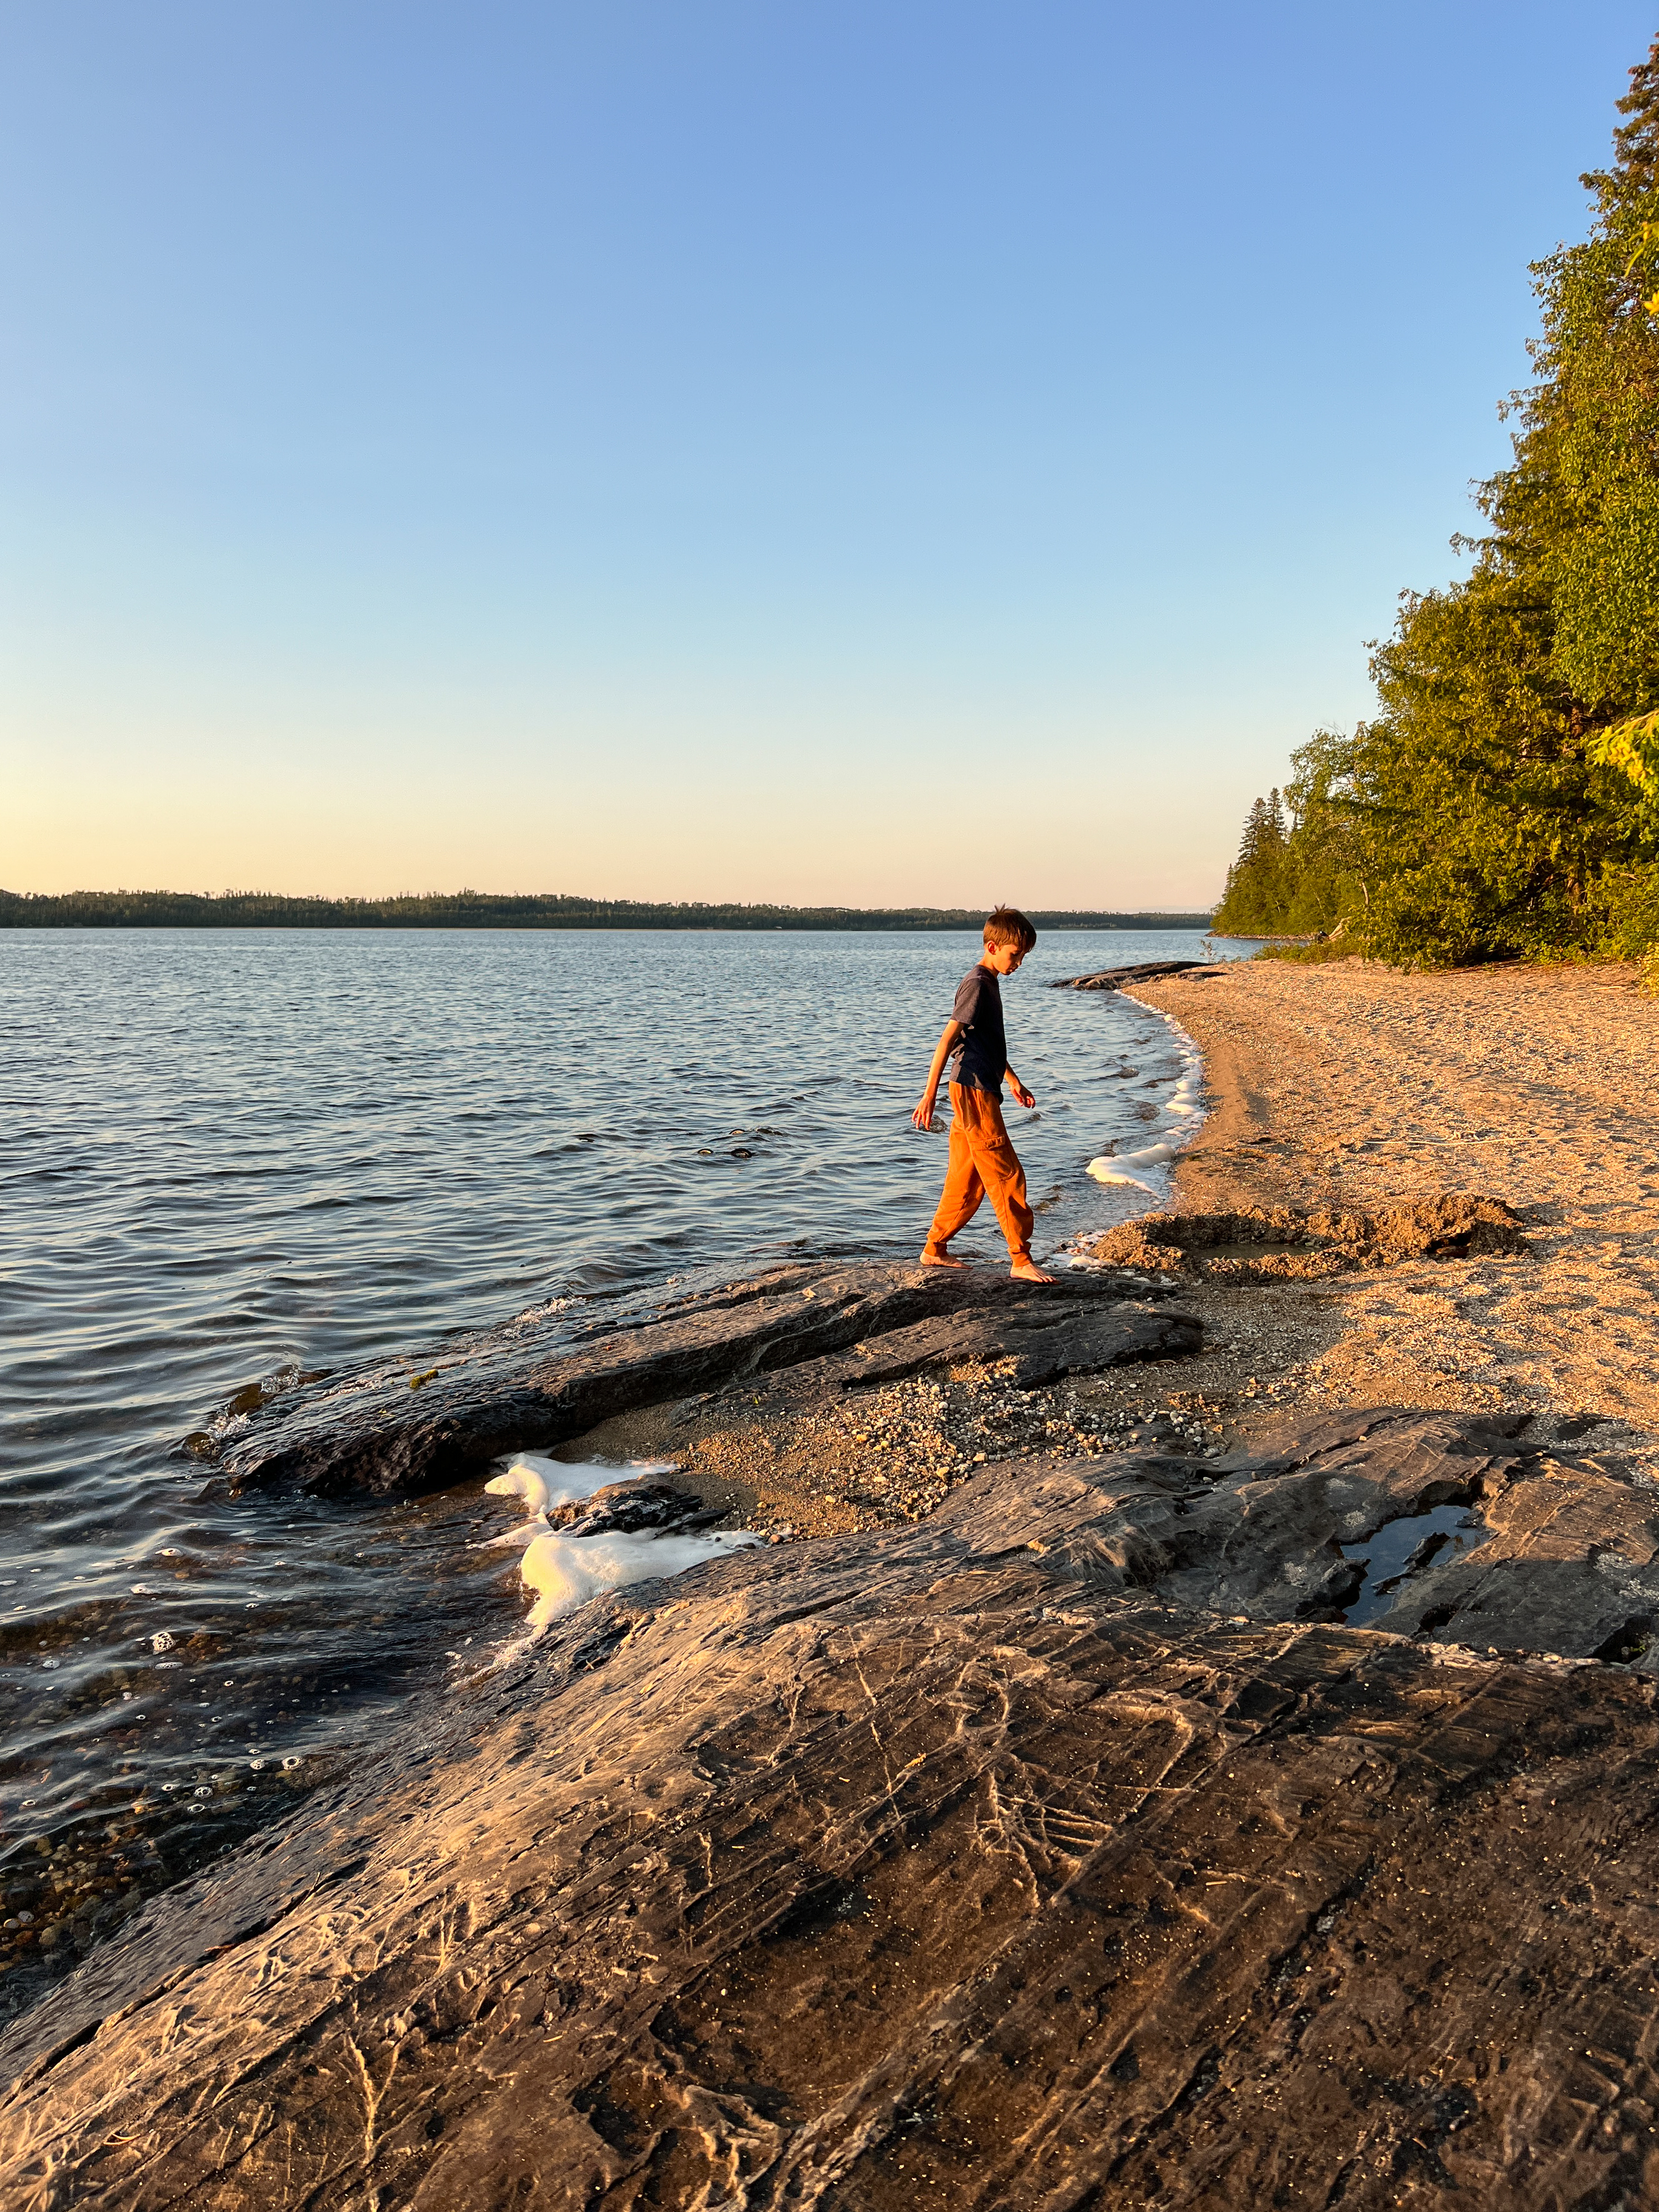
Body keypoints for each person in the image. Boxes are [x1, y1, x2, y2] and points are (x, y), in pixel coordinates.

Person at [911, 906, 1055, 1283]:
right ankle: (1020, 1260)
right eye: (1014, 955)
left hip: (978, 1087)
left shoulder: (988, 981)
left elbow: (984, 1044)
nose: (1019, 963)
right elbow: (947, 1041)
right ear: (992, 946)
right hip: (973, 1092)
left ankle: (934, 1249)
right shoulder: (978, 983)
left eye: (1024, 957)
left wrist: (1011, 1078)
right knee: (1006, 1174)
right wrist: (928, 1095)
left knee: (967, 1178)